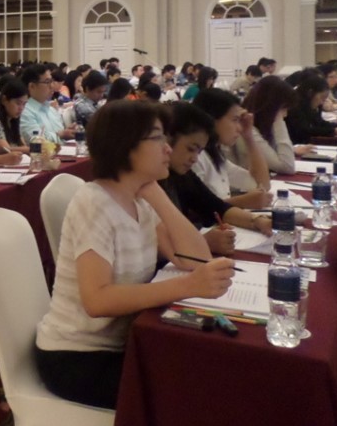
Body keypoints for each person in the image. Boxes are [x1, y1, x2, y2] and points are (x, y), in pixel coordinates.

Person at [35, 100, 234, 409]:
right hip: (76, 356)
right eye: (157, 137)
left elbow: (195, 258)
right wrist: (188, 286)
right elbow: (97, 301)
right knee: (194, 394)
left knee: (207, 370)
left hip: (120, 344)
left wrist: (155, 192)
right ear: (124, 146)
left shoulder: (138, 200)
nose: (168, 148)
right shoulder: (94, 203)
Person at [161, 103, 272, 256]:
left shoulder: (181, 174)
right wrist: (202, 242)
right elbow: (149, 245)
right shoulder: (149, 181)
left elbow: (215, 206)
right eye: (190, 149)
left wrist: (258, 221)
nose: (194, 158)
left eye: (199, 151)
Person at [191, 89, 271, 209]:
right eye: (235, 120)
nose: (239, 128)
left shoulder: (215, 154)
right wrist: (241, 202)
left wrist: (248, 137)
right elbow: (196, 210)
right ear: (211, 119)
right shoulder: (195, 157)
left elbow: (262, 184)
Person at [233, 76, 307, 174]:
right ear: (270, 106)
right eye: (283, 109)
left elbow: (271, 152)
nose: (285, 114)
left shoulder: (261, 125)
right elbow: (287, 166)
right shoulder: (247, 129)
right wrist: (279, 121)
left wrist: (292, 150)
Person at [19, 64, 77, 145]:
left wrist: (67, 131)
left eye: (51, 81)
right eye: (47, 82)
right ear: (32, 86)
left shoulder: (51, 110)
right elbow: (36, 141)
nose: (52, 86)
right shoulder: (25, 112)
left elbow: (60, 136)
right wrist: (61, 135)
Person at [285, 74, 337, 144]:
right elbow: (304, 130)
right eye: (322, 97)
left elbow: (319, 122)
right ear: (310, 93)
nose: (322, 102)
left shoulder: (313, 103)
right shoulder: (294, 105)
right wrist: (333, 131)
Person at [0, 78, 30, 154]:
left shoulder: (13, 120)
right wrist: (33, 149)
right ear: (4, 100)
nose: (21, 108)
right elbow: (4, 150)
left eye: (24, 104)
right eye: (18, 103)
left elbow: (22, 145)